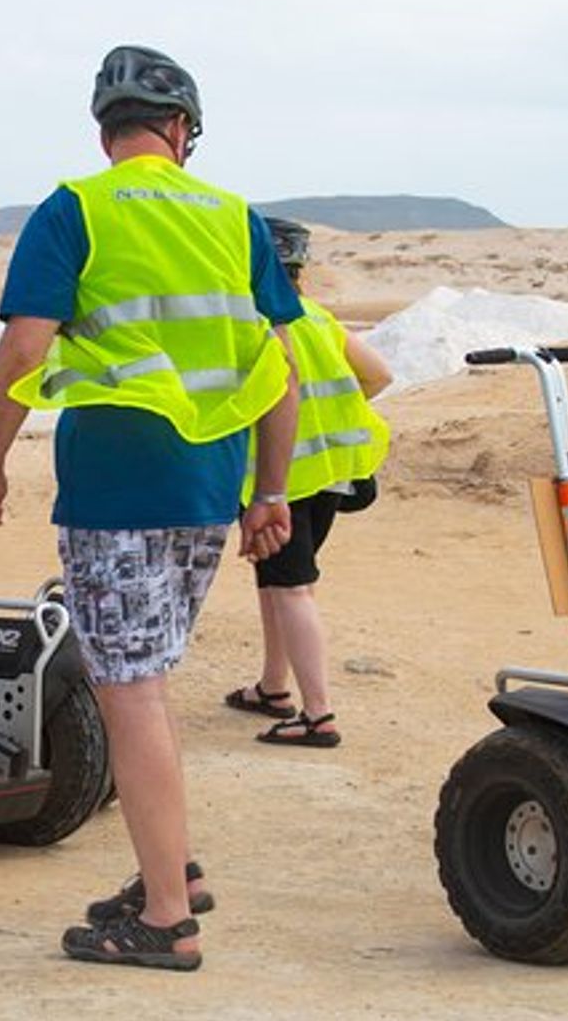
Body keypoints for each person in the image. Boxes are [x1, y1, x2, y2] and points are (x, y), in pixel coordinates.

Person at [0, 46, 302, 971]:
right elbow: (282, 371)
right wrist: (268, 493)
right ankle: (174, 869)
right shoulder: (236, 218)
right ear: (182, 130)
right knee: (145, 678)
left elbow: (24, 353)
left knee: (132, 689)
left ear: (105, 130)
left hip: (114, 492)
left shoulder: (75, 208)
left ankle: (164, 919)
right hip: (206, 488)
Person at [222, 217, 392, 747]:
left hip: (283, 479)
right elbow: (379, 375)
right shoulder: (319, 319)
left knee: (292, 588)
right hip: (332, 476)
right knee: (281, 579)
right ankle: (274, 687)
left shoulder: (257, 324)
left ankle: (318, 714)